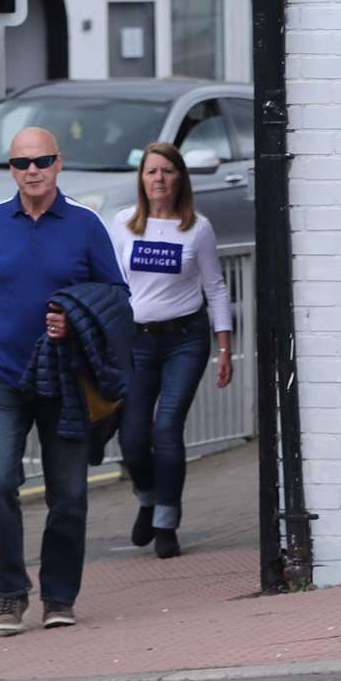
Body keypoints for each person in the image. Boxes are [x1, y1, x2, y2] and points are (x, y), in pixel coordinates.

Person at [0, 127, 127, 633]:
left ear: (59, 163)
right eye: (23, 163)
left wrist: (75, 318)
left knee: (68, 495)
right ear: (12, 170)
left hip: (65, 381)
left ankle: (60, 597)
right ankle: (11, 595)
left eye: (42, 160)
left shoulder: (85, 225)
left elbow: (115, 297)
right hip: (2, 378)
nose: (33, 170)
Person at [109, 143, 233, 559]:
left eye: (166, 171)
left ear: (180, 177)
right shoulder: (125, 224)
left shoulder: (197, 227)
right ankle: (147, 496)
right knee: (132, 437)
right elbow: (110, 284)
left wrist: (224, 347)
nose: (158, 179)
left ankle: (167, 520)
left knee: (166, 429)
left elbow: (215, 287)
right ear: (141, 179)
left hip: (185, 339)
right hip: (138, 341)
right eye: (151, 172)